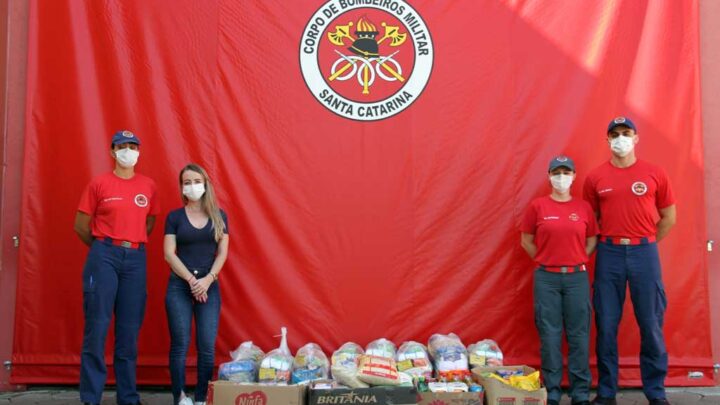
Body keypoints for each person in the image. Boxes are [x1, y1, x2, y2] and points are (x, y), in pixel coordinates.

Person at [584, 117, 676, 405]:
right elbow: (590, 221)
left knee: (650, 323)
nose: (620, 138)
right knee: (607, 323)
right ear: (607, 141)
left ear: (636, 138)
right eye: (614, 134)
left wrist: (643, 242)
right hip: (608, 253)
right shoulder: (595, 177)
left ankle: (655, 392)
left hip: (644, 253)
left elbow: (669, 217)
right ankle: (607, 391)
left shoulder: (654, 173)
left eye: (626, 133)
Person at [74, 130, 159, 405]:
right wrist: (104, 248)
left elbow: (149, 223)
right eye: (122, 146)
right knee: (97, 328)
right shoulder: (99, 183)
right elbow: (80, 225)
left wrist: (128, 242)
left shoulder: (148, 186)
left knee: (129, 331)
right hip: (104, 255)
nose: (128, 151)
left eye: (133, 146)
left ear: (139, 152)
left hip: (135, 258)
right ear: (112, 152)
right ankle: (90, 398)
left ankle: (128, 398)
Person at [521, 155, 598, 405]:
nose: (561, 178)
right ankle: (552, 390)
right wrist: (547, 259)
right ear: (549, 176)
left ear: (574, 176)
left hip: (577, 278)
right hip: (547, 279)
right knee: (550, 336)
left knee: (579, 335)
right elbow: (527, 241)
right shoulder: (538, 207)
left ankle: (580, 392)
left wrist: (575, 259)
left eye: (566, 173)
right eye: (557, 172)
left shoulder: (584, 208)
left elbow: (592, 240)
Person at [164, 163, 229, 405]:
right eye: (187, 182)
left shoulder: (220, 216)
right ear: (182, 187)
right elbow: (169, 254)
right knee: (180, 344)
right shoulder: (174, 217)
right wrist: (193, 281)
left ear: (206, 184)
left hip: (209, 283)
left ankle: (201, 398)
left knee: (206, 346)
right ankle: (180, 396)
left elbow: (222, 253)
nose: (192, 186)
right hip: (180, 284)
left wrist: (208, 279)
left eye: (196, 181)